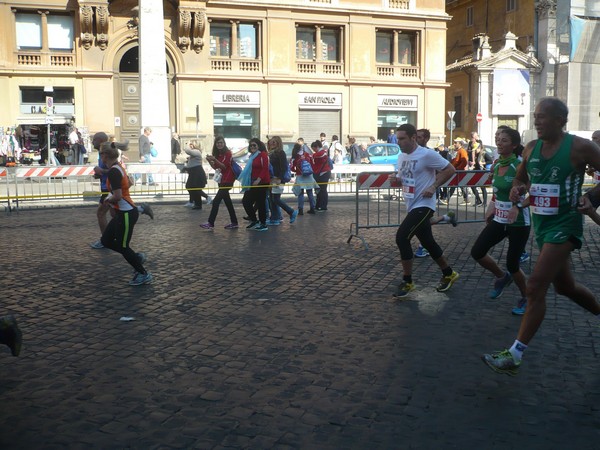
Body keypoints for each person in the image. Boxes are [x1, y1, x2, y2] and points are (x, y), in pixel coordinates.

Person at [482, 97, 600, 376]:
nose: (536, 121)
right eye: (535, 116)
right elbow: (521, 179)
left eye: (543, 116)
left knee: (535, 286)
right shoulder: (532, 148)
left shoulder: (580, 147)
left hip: (565, 225)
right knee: (565, 288)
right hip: (543, 226)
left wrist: (592, 198)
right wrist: (517, 189)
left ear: (560, 120)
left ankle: (515, 354)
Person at [390, 123, 459, 297]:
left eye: (402, 138)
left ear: (413, 138)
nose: (399, 142)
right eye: (398, 138)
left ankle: (407, 282)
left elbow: (450, 169)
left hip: (424, 205)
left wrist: (434, 186)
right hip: (411, 204)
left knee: (402, 237)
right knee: (428, 243)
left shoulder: (427, 154)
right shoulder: (401, 157)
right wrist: (396, 180)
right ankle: (449, 273)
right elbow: (404, 179)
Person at [470, 127, 530, 316]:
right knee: (477, 251)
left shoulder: (519, 164)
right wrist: (491, 208)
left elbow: (530, 187)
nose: (499, 143)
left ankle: (527, 297)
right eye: (498, 139)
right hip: (499, 218)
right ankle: (502, 277)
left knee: (513, 264)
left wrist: (519, 200)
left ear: (514, 145)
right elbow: (497, 192)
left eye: (504, 140)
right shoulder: (496, 164)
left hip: (518, 221)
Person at [98, 141, 152, 285]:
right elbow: (128, 184)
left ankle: (143, 273)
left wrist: (108, 200)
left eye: (100, 153)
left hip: (127, 213)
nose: (100, 156)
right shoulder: (116, 168)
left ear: (105, 156)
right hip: (122, 212)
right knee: (106, 240)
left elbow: (118, 196)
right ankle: (136, 257)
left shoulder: (114, 171)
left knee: (123, 246)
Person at [89, 132, 153, 249]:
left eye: (94, 140)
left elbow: (114, 170)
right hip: (110, 187)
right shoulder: (103, 152)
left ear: (100, 140)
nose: (92, 142)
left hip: (110, 189)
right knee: (114, 213)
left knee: (101, 213)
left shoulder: (106, 152)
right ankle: (140, 209)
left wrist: (102, 172)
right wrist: (100, 174)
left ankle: (105, 240)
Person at [200, 136, 239, 230]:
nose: (219, 144)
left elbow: (224, 167)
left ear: (224, 143)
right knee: (228, 202)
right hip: (222, 180)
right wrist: (210, 161)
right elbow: (216, 168)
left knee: (216, 201)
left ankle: (211, 222)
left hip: (228, 180)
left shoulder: (228, 153)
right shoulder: (218, 154)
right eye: (218, 143)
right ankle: (234, 222)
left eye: (221, 142)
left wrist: (215, 159)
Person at [266, 136, 298, 225]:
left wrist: (280, 178)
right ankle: (275, 218)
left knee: (276, 199)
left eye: (274, 142)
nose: (272, 144)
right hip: (272, 178)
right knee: (272, 199)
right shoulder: (271, 153)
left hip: (278, 179)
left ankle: (291, 212)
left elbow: (283, 167)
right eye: (271, 142)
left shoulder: (281, 153)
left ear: (278, 143)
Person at [240, 138, 270, 231]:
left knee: (261, 203)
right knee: (246, 201)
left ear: (258, 145)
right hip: (252, 182)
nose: (252, 147)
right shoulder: (251, 156)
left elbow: (265, 168)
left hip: (262, 182)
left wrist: (258, 179)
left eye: (254, 145)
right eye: (251, 145)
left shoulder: (263, 155)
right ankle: (254, 220)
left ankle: (263, 223)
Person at [290, 142, 318, 215]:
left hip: (300, 176)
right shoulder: (307, 154)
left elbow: (292, 168)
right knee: (310, 193)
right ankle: (312, 208)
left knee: (300, 193)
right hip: (309, 175)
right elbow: (312, 163)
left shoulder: (295, 156)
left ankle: (301, 210)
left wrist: (297, 170)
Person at [183, 141, 210, 210]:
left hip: (197, 173)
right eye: (190, 144)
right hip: (193, 173)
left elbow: (187, 150)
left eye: (192, 144)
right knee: (189, 187)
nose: (190, 146)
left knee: (195, 188)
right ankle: (193, 202)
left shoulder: (196, 152)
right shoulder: (194, 153)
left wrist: (187, 144)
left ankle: (206, 198)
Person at [443, 138, 470, 204]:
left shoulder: (462, 151)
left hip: (459, 171)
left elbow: (464, 162)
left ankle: (447, 200)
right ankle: (466, 199)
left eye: (455, 143)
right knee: (458, 185)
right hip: (457, 171)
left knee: (454, 185)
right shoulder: (458, 151)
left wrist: (458, 168)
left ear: (460, 144)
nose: (454, 144)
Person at [312, 140, 332, 212]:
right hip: (320, 173)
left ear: (317, 147)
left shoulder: (322, 153)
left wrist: (312, 155)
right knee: (319, 190)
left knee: (323, 190)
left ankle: (323, 207)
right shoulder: (320, 152)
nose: (313, 151)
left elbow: (317, 156)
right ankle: (318, 206)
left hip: (324, 173)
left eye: (314, 149)